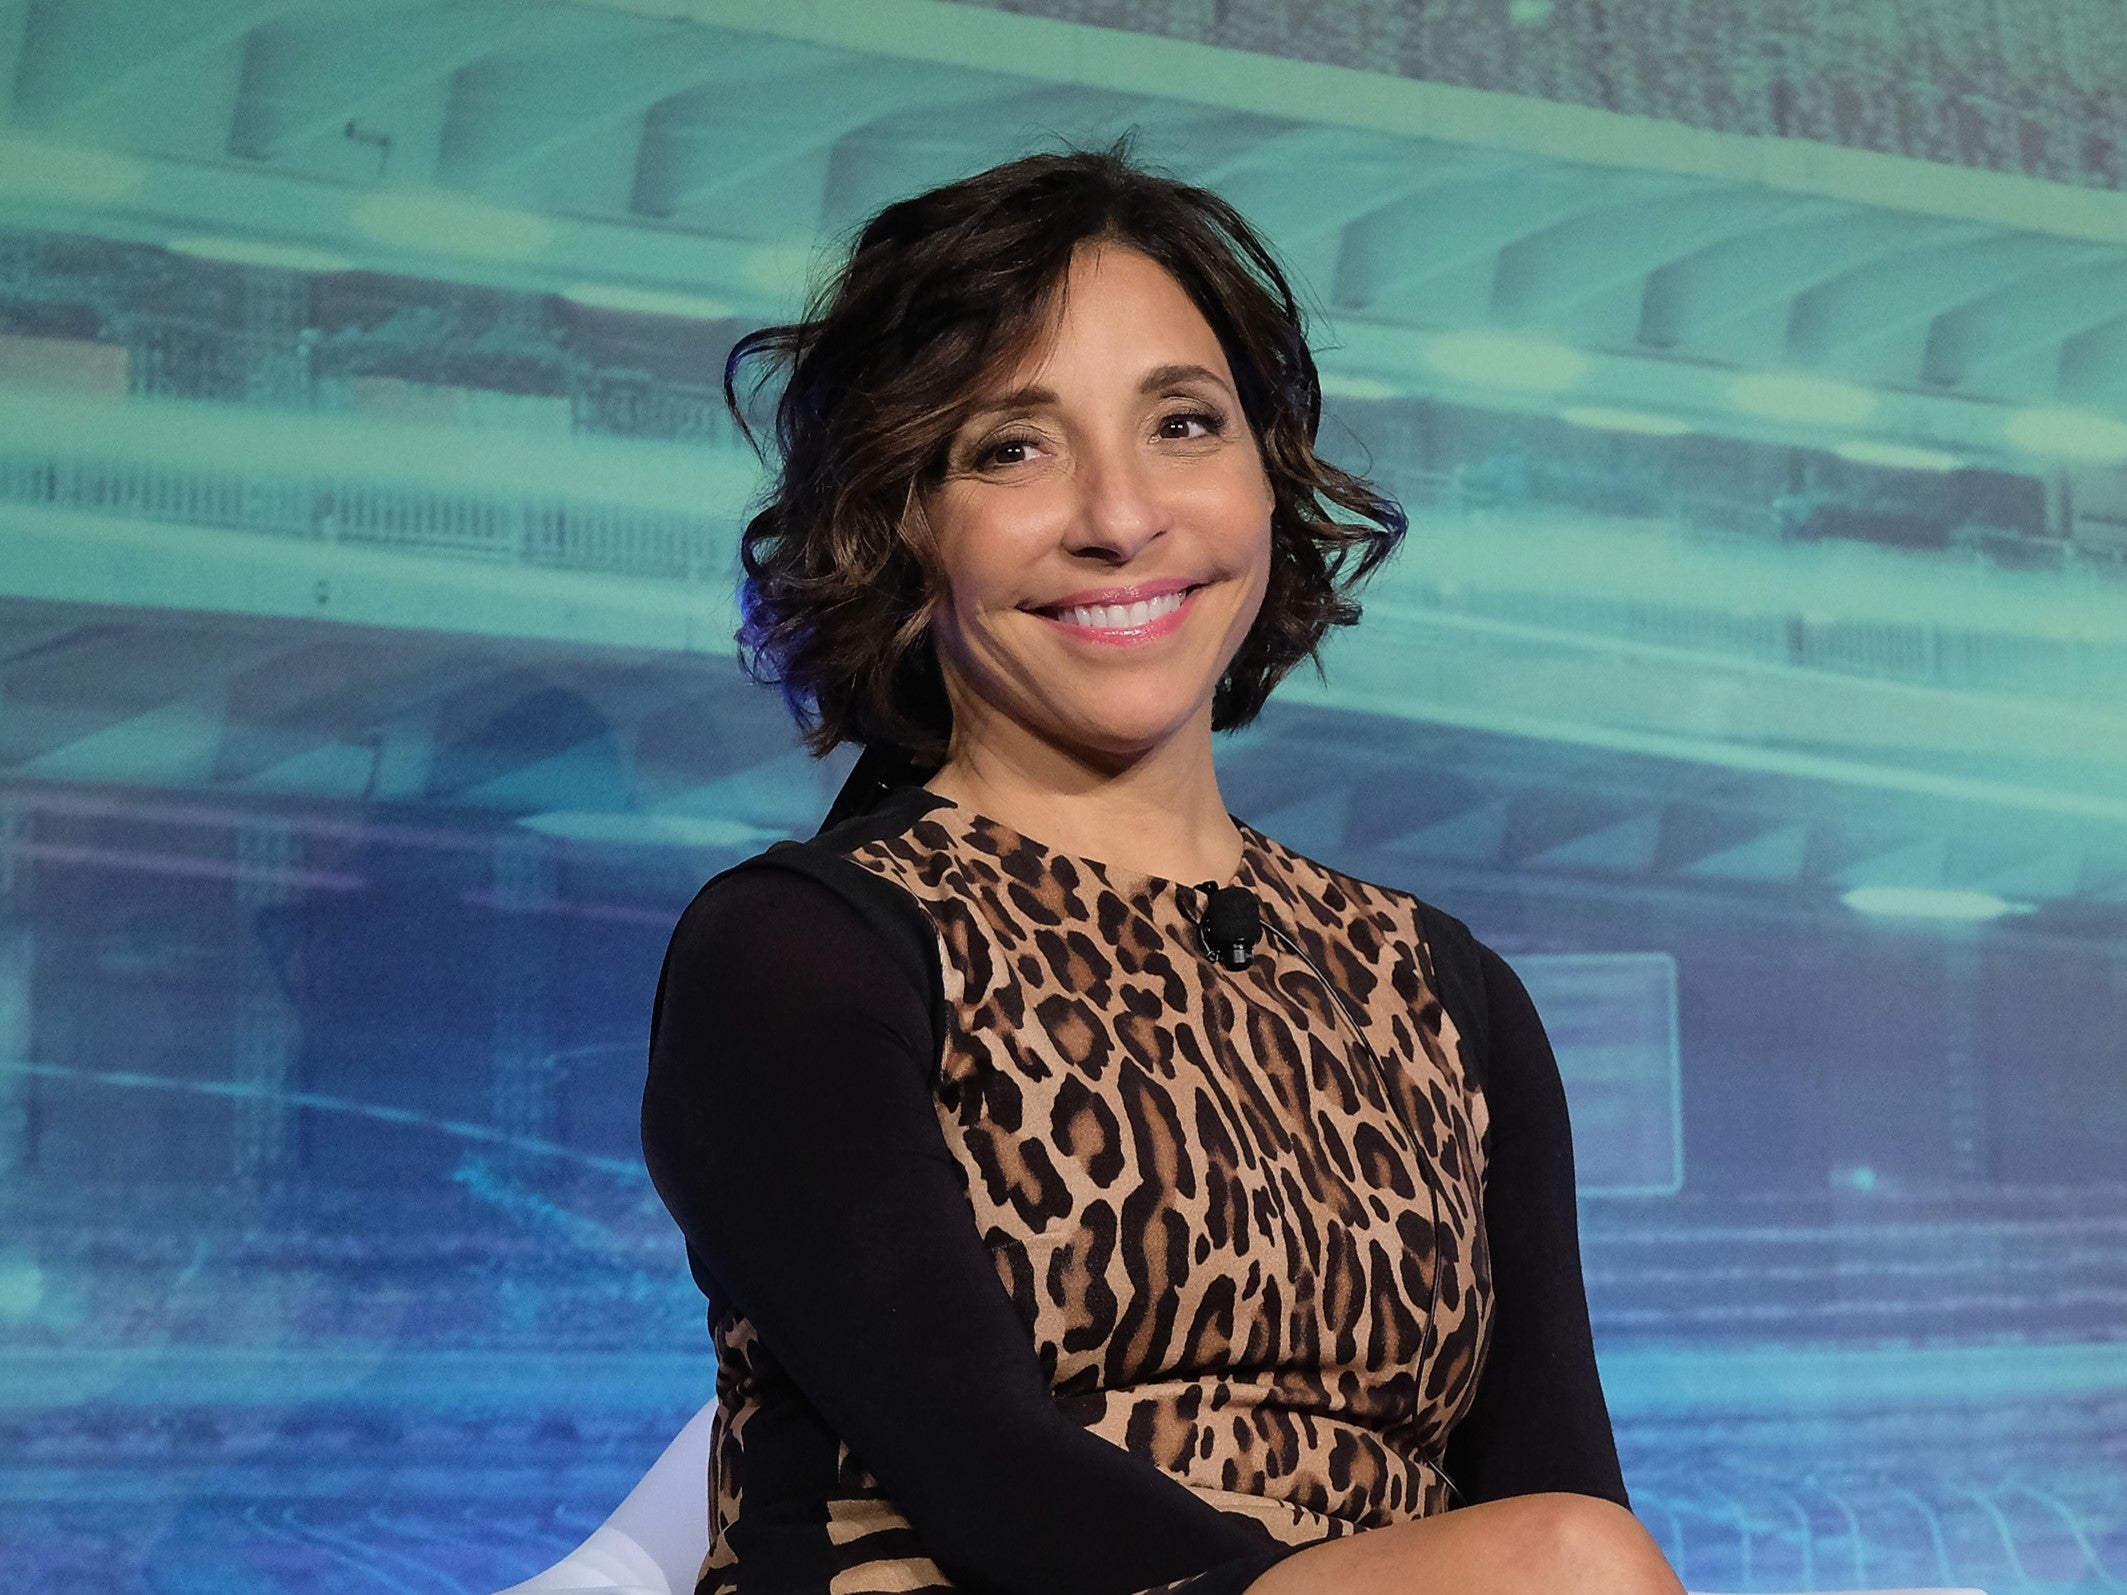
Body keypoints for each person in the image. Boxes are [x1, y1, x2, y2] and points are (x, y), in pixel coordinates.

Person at [641, 139, 1686, 1595]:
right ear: (900, 521)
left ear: (1270, 478)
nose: (1120, 517)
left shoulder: (1451, 997)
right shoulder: (805, 951)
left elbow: (1553, 1479)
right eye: (1013, 447)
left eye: (1185, 425)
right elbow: (984, 1476)